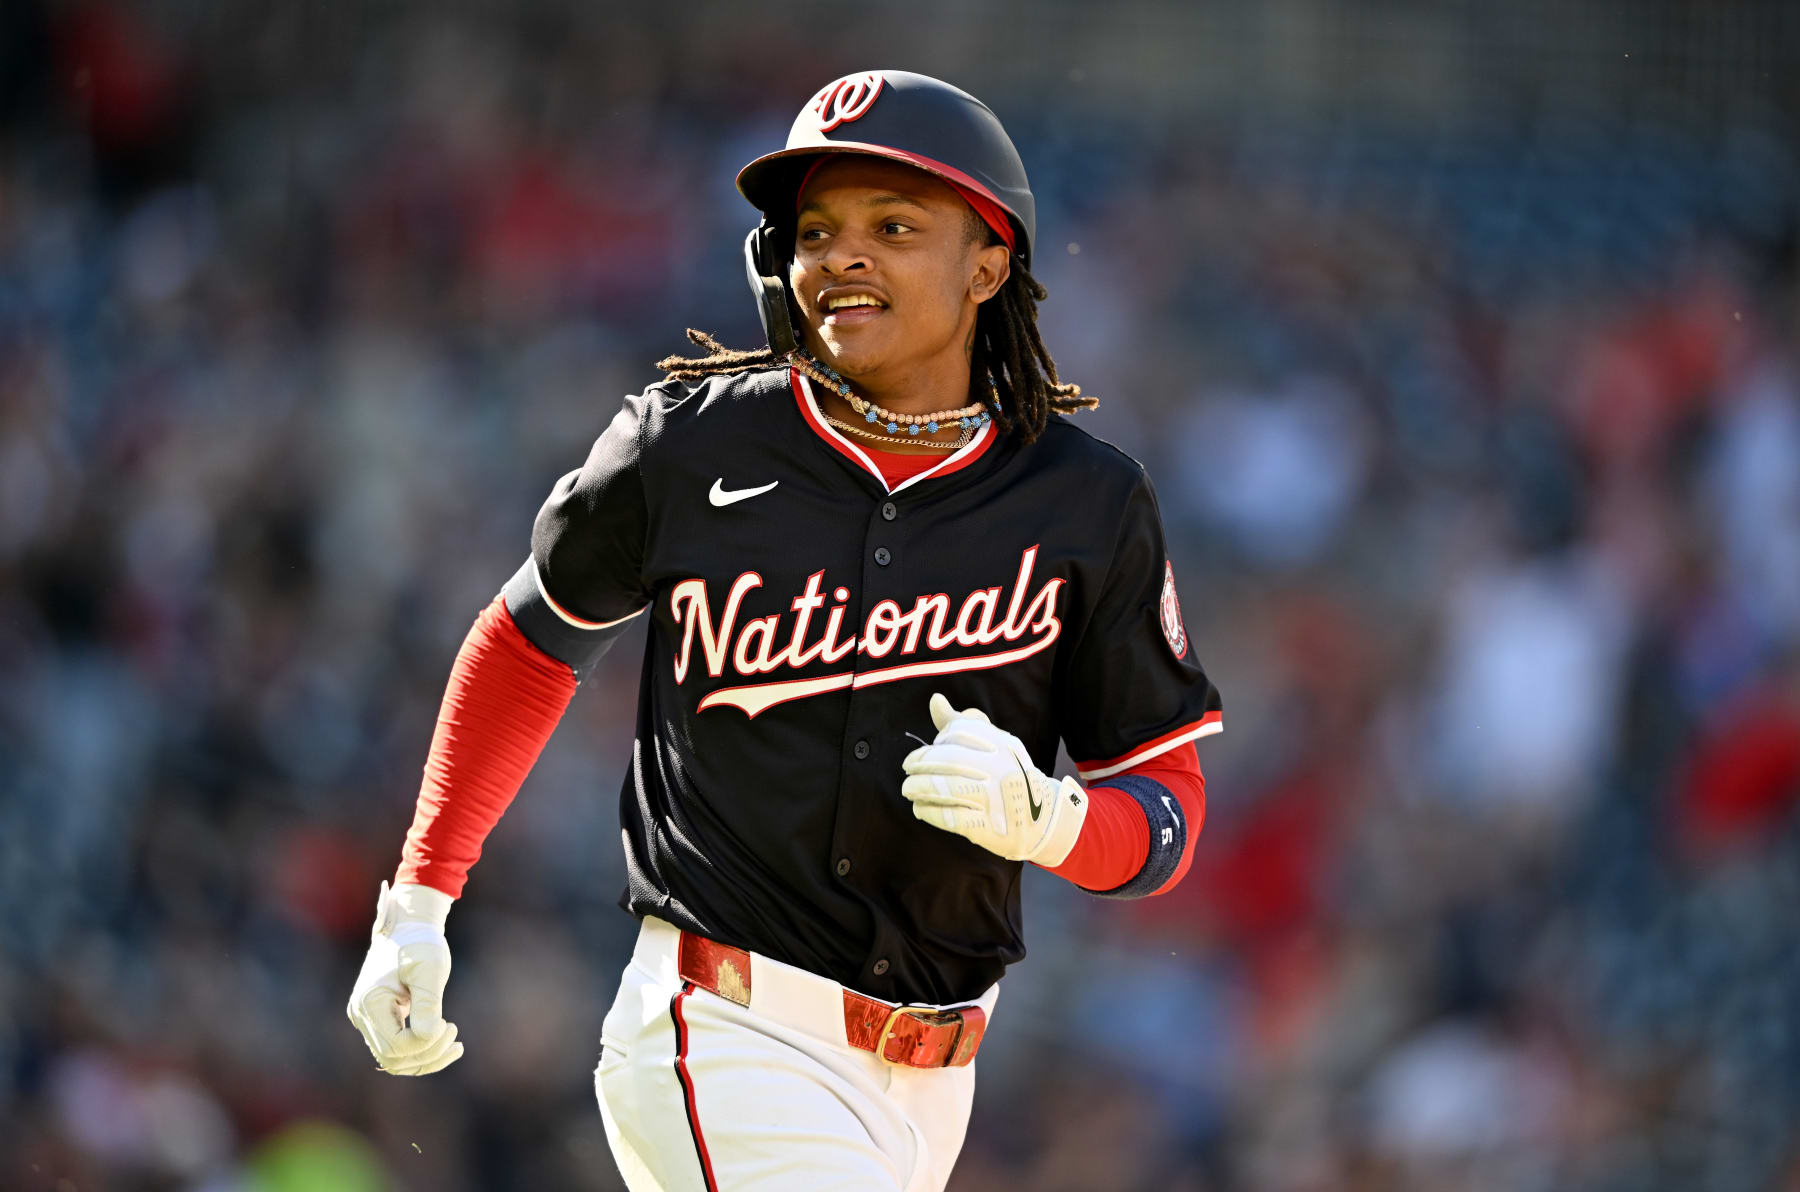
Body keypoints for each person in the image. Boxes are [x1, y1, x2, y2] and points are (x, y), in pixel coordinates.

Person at [346, 69, 1223, 1192]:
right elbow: (527, 643)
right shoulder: (689, 446)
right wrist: (419, 899)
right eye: (816, 231)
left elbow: (1165, 804)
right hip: (722, 1033)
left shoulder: (1084, 502)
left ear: (988, 265)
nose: (842, 256)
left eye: (893, 227)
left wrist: (1055, 822)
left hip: (935, 1084)